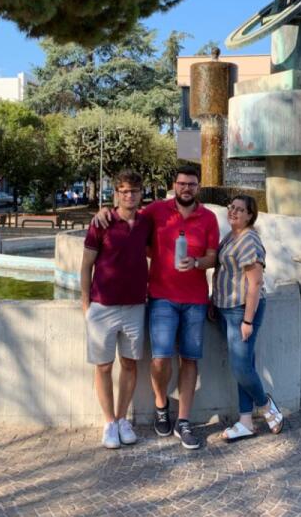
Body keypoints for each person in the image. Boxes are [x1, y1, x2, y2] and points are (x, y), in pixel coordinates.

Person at [93, 165, 219, 449]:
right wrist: (103, 210)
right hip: (161, 297)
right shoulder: (156, 211)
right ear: (174, 185)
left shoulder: (209, 217)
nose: (186, 188)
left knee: (190, 359)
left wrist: (196, 262)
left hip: (196, 299)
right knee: (160, 359)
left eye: (192, 184)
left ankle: (183, 420)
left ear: (198, 187)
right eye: (182, 183)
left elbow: (213, 257)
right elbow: (127, 212)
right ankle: (162, 406)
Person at [80, 169, 153, 450]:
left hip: (135, 305)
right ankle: (109, 422)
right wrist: (85, 304)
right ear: (116, 194)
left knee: (130, 364)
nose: (129, 196)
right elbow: (86, 266)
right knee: (103, 366)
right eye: (124, 191)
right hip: (103, 306)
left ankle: (123, 419)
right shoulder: (102, 222)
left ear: (140, 193)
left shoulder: (146, 223)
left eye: (134, 191)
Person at [211, 194, 283, 442]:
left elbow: (255, 283)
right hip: (227, 308)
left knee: (240, 367)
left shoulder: (249, 241)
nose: (233, 212)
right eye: (231, 207)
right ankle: (245, 422)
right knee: (245, 365)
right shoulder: (231, 236)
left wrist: (248, 321)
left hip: (242, 310)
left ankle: (266, 406)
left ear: (250, 215)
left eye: (240, 209)